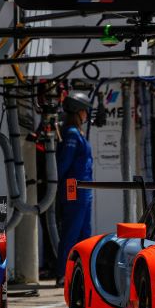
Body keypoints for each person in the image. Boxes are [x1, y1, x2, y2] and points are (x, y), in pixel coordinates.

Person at [56, 91, 93, 286]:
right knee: (71, 231)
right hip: (74, 188)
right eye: (84, 111)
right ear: (77, 112)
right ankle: (63, 273)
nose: (86, 115)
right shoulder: (71, 134)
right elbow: (63, 164)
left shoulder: (78, 133)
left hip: (85, 190)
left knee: (84, 234)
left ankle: (82, 272)